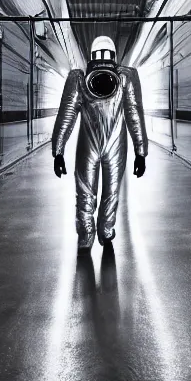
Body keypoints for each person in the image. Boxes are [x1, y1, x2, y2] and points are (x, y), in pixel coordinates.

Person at [51, 36, 148, 255]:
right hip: (115, 145)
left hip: (88, 145)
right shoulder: (125, 77)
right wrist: (140, 152)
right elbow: (134, 114)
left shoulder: (79, 78)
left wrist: (58, 151)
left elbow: (67, 114)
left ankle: (88, 236)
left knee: (86, 191)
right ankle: (105, 231)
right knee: (110, 191)